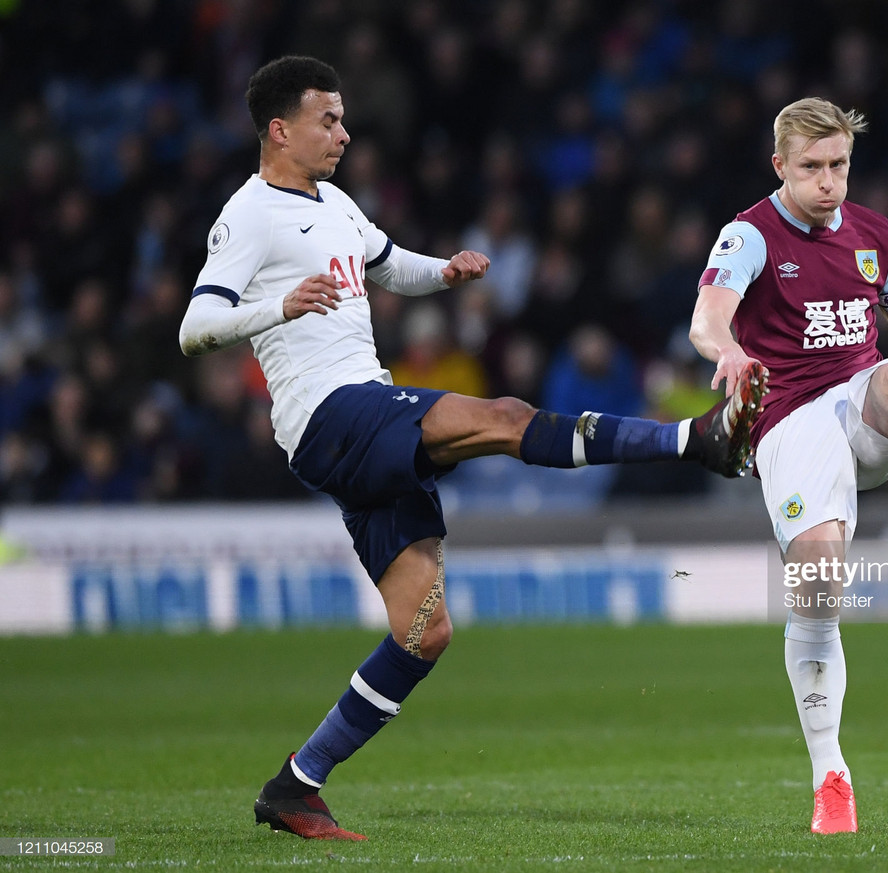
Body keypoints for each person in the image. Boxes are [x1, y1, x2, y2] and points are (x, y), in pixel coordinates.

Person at [178, 56, 767, 841]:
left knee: (424, 631)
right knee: (504, 417)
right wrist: (277, 305)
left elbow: (392, 268)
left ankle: (295, 785)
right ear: (280, 130)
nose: (345, 134)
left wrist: (446, 274)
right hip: (332, 413)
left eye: (345, 117)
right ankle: (695, 440)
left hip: (362, 416)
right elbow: (194, 328)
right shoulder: (249, 214)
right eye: (329, 120)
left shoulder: (334, 202)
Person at [688, 97, 888, 834]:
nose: (828, 182)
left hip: (861, 401)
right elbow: (707, 316)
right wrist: (730, 350)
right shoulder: (748, 235)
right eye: (811, 168)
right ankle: (830, 774)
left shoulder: (881, 238)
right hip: (788, 418)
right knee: (819, 573)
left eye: (838, 165)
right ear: (780, 166)